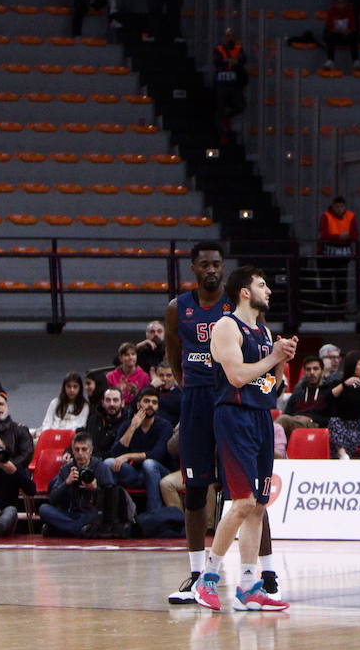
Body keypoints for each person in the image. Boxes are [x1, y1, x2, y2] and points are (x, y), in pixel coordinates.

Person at [193, 265, 294, 612]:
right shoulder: (225, 326)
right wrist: (273, 357)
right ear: (245, 291)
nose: (269, 290)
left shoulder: (264, 332)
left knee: (259, 506)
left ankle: (249, 585)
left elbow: (268, 388)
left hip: (261, 417)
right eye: (263, 284)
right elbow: (236, 377)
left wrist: (280, 364)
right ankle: (206, 579)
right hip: (233, 417)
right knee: (242, 502)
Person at [165, 241, 233, 604]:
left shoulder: (236, 305)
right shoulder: (178, 308)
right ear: (193, 268)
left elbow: (262, 348)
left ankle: (255, 573)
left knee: (239, 491)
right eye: (205, 264)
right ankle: (195, 574)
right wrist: (189, 383)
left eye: (216, 264)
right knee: (194, 489)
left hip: (230, 400)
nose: (211, 270)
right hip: (195, 402)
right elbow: (174, 357)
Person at [106, 387, 173, 512]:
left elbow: (157, 455)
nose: (150, 405)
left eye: (154, 403)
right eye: (146, 401)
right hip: (136, 474)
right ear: (138, 405)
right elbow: (115, 454)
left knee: (149, 464)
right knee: (109, 463)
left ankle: (154, 515)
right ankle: (111, 515)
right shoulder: (128, 424)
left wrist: (128, 456)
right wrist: (132, 427)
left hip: (160, 473)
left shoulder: (164, 426)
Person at [39, 430, 115, 537]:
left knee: (96, 518)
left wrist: (95, 489)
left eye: (84, 449)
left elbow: (111, 500)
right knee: (44, 509)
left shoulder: (101, 467)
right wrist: (67, 483)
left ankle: (61, 529)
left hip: (91, 514)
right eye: (77, 449)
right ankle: (79, 530)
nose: (80, 453)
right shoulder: (66, 469)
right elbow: (52, 499)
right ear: (73, 451)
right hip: (71, 513)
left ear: (91, 450)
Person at [327, 351, 360, 458]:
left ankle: (343, 454)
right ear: (352, 365)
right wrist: (345, 384)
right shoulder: (339, 383)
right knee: (333, 422)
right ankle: (342, 454)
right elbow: (329, 397)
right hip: (342, 427)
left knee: (340, 439)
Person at [317, 196, 358, 307]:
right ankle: (329, 312)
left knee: (341, 285)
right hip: (327, 257)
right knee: (327, 285)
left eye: (342, 207)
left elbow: (355, 235)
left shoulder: (350, 216)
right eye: (337, 207)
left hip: (342, 258)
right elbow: (324, 235)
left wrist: (343, 237)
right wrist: (340, 237)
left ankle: (341, 312)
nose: (340, 209)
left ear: (345, 207)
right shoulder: (326, 216)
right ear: (333, 206)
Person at [279, 356, 332, 435]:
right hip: (294, 424)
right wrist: (296, 418)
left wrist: (310, 419)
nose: (312, 372)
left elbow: (331, 420)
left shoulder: (329, 393)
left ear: (322, 371)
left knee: (282, 420)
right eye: (308, 369)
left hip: (316, 427)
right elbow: (287, 413)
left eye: (315, 369)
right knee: (281, 421)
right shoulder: (298, 393)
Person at [212, 28, 248, 137]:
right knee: (220, 106)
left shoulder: (239, 48)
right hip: (221, 83)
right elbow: (218, 62)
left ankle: (226, 118)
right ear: (223, 38)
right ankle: (221, 132)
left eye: (232, 36)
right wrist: (232, 61)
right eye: (228, 36)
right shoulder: (218, 49)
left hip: (234, 83)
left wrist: (230, 62)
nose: (230, 38)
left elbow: (242, 60)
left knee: (241, 106)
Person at [85, 388, 127, 466]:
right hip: (90, 461)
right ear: (103, 403)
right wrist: (69, 452)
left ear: (123, 403)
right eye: (108, 400)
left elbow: (118, 451)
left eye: (115, 400)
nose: (111, 404)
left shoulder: (127, 422)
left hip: (115, 464)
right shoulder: (94, 419)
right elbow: (84, 438)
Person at [322, 0, 359, 70]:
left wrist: (348, 31)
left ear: (345, 3)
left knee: (354, 36)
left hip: (346, 36)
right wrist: (338, 31)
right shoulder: (331, 11)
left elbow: (353, 27)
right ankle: (330, 60)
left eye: (343, 2)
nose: (341, 4)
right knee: (329, 35)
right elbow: (329, 26)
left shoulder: (350, 11)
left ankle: (355, 61)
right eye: (338, 2)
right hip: (335, 35)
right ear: (335, 3)